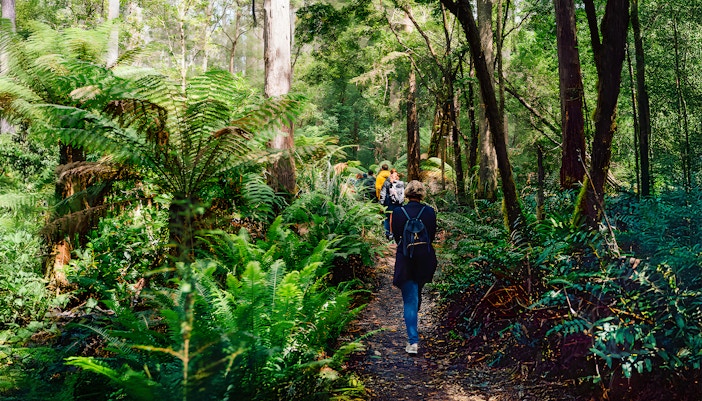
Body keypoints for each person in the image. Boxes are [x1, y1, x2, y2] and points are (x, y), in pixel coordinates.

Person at [390, 180, 437, 354]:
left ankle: (413, 342)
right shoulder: (430, 212)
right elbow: (431, 236)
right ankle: (413, 329)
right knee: (416, 293)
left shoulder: (398, 212)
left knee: (410, 299)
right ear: (422, 194)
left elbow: (396, 237)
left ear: (407, 194)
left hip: (406, 259)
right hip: (425, 259)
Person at [379, 170, 404, 240]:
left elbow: (403, 193)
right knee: (389, 218)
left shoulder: (400, 183)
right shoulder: (387, 183)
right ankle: (390, 233)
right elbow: (383, 193)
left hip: (392, 203)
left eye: (396, 175)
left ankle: (391, 233)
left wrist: (381, 203)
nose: (394, 176)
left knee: (391, 218)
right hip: (391, 203)